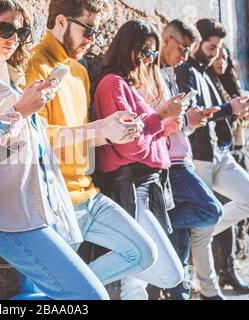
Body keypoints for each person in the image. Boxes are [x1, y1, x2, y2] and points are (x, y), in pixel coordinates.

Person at [0, 0, 113, 300]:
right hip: (4, 214)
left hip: (38, 208)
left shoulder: (13, 75)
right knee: (91, 296)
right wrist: (20, 110)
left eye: (22, 32)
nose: (14, 38)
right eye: (6, 29)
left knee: (55, 297)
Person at [93, 19, 185, 300]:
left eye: (153, 53)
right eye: (145, 51)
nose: (149, 59)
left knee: (136, 282)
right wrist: (160, 118)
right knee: (170, 273)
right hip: (131, 187)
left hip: (145, 186)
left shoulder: (128, 86)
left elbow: (144, 136)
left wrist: (164, 125)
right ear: (127, 47)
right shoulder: (113, 84)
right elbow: (130, 145)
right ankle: (70, 283)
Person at [175, 18, 249, 300]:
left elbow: (218, 109)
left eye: (219, 48)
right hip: (199, 157)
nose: (215, 53)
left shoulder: (207, 73)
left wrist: (235, 109)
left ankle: (198, 236)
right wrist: (230, 107)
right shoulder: (185, 71)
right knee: (202, 230)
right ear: (197, 44)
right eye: (211, 46)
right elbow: (193, 113)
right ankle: (208, 290)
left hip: (221, 153)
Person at [156, 19, 224, 300]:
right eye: (182, 49)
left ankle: (178, 294)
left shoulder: (172, 73)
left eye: (188, 51)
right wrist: (185, 118)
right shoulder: (153, 74)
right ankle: (162, 222)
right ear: (166, 39)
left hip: (182, 153)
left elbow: (175, 124)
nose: (184, 57)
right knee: (212, 210)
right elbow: (154, 120)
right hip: (170, 162)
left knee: (179, 247)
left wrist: (192, 120)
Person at [209, 46, 249, 295]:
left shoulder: (224, 82)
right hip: (212, 155)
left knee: (230, 213)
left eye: (225, 57)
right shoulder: (205, 79)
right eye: (218, 56)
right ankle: (222, 269)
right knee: (217, 211)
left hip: (230, 150)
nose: (222, 61)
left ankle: (228, 267)